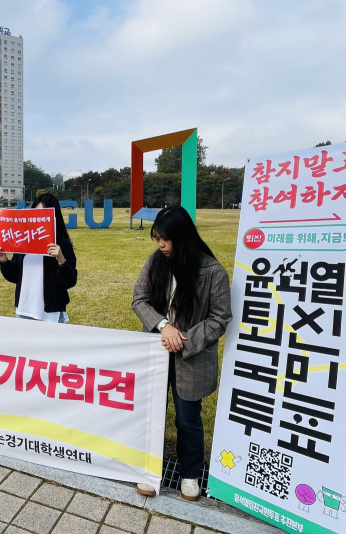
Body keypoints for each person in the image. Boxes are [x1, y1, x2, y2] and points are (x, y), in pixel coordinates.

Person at [131, 205, 232, 501]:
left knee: (188, 418)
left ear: (182, 237)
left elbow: (220, 318)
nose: (160, 245)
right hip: (157, 351)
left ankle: (190, 473)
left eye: (166, 239)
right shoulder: (156, 261)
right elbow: (140, 299)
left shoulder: (212, 271)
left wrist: (183, 340)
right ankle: (151, 468)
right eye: (157, 238)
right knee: (153, 413)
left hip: (192, 358)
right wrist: (164, 327)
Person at [0, 193, 77, 323]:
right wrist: (4, 262)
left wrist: (61, 260)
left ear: (53, 216)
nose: (39, 218)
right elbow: (15, 276)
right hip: (24, 310)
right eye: (36, 213)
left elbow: (69, 281)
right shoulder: (23, 239)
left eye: (44, 214)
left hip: (51, 314)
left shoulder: (62, 243)